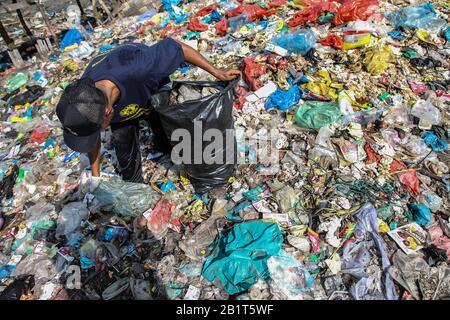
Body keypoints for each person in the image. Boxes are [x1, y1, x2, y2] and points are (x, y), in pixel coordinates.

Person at [56, 38, 240, 183]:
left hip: (142, 82)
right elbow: (90, 132)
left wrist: (217, 72)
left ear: (106, 112)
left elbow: (178, 48)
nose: (100, 132)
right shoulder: (85, 97)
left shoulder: (142, 68)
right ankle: (135, 188)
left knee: (165, 132)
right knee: (124, 144)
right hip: (119, 95)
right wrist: (95, 176)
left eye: (100, 128)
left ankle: (163, 140)